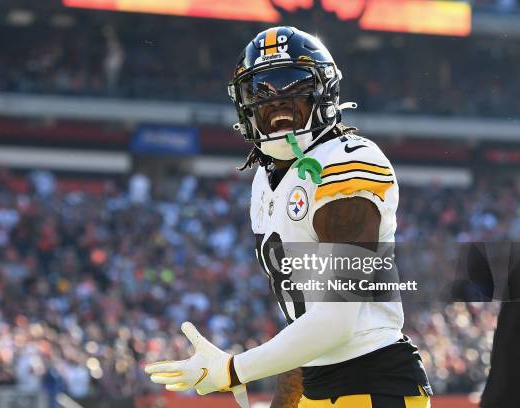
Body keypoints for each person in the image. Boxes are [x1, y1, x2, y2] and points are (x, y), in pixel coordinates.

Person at [145, 26, 432, 408]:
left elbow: (336, 321)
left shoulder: (347, 161)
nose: (276, 103)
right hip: (319, 385)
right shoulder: (265, 181)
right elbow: (304, 325)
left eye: (292, 86)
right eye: (261, 92)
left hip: (374, 383)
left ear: (323, 94)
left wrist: (234, 369)